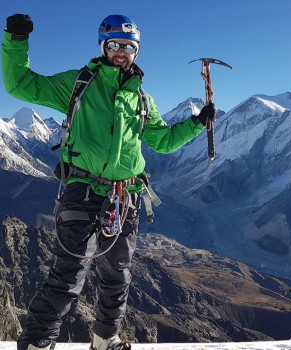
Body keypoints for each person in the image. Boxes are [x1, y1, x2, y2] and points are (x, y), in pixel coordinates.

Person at [2, 13, 215, 350]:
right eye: (114, 44)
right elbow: (19, 84)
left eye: (128, 46)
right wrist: (16, 41)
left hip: (125, 197)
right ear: (103, 46)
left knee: (118, 275)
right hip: (82, 193)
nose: (121, 51)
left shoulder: (142, 99)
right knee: (69, 275)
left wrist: (196, 124)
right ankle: (37, 342)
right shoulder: (78, 84)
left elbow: (162, 141)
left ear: (137, 51)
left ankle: (105, 339)